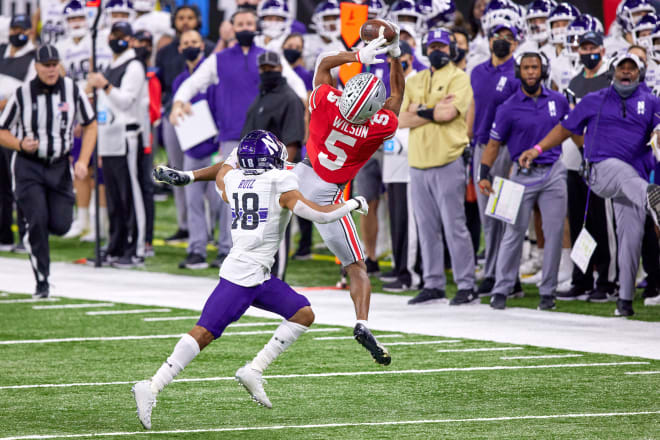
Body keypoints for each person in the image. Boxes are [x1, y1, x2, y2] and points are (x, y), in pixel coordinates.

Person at [162, 33, 403, 365]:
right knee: (356, 266)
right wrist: (394, 56)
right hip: (328, 196)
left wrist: (358, 55)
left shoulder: (324, 102)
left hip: (297, 175)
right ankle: (362, 321)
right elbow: (396, 97)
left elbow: (323, 64)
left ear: (345, 94)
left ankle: (189, 175)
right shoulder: (379, 125)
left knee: (243, 163)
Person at [134, 130, 369, 429]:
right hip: (241, 278)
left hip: (258, 274)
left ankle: (254, 370)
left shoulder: (233, 180)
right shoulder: (279, 183)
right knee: (204, 333)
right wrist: (354, 204)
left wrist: (196, 173)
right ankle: (151, 387)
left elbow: (224, 172)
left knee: (303, 313)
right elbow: (320, 215)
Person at [518, 52, 660, 317]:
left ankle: (625, 301)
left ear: (640, 73)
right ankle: (655, 200)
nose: (626, 73)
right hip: (601, 171)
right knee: (621, 171)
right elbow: (565, 128)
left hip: (635, 183)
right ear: (612, 72)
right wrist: (537, 149)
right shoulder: (595, 100)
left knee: (630, 238)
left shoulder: (652, 102)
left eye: (632, 69)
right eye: (622, 69)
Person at [0, 44, 97, 297]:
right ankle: (42, 280)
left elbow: (90, 124)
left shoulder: (72, 90)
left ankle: (32, 224)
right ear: (37, 67)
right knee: (38, 220)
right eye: (47, 65)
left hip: (59, 166)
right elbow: (2, 130)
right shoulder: (21, 93)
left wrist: (83, 160)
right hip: (28, 165)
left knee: (62, 224)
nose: (52, 69)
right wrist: (20, 143)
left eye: (55, 64)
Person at [478, 50, 569, 311]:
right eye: (526, 67)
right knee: (512, 233)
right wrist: (483, 174)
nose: (531, 72)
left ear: (543, 70)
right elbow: (493, 144)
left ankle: (548, 292)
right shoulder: (507, 107)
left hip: (553, 171)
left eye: (535, 67)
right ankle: (502, 288)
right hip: (520, 174)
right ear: (519, 72)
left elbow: (570, 129)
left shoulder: (558, 101)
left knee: (553, 234)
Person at [399, 28, 476, 305]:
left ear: (451, 49)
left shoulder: (460, 78)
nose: (437, 51)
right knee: (426, 227)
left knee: (454, 225)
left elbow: (448, 114)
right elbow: (399, 119)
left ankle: (466, 284)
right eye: (433, 47)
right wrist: (431, 111)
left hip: (448, 160)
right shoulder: (414, 79)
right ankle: (433, 284)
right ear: (424, 48)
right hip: (418, 162)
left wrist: (419, 109)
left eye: (442, 47)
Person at [558, 31, 618, 302]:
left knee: (602, 222)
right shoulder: (573, 82)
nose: (587, 51)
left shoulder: (609, 79)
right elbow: (570, 121)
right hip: (574, 161)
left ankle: (607, 280)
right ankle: (581, 278)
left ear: (602, 50)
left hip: (601, 159)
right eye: (584, 47)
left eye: (592, 46)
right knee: (580, 221)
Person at [86, 21, 147, 268]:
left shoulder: (133, 66)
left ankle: (136, 247)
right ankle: (116, 243)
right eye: (114, 35)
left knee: (129, 194)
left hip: (126, 137)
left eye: (122, 35)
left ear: (131, 40)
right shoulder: (108, 66)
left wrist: (105, 85)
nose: (117, 39)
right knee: (112, 196)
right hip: (107, 136)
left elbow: (126, 102)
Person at [468, 22, 520, 297]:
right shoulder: (477, 71)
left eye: (508, 37)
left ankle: (499, 275)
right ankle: (496, 272)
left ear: (515, 43)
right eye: (498, 36)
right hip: (480, 145)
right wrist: (468, 138)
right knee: (488, 215)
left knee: (504, 213)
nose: (502, 40)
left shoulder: (518, 72)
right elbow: (474, 105)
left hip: (506, 148)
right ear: (489, 40)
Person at [156, 4, 215, 244]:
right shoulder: (165, 51)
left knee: (206, 177)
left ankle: (209, 230)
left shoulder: (211, 52)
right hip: (174, 116)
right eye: (181, 18)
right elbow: (160, 84)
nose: (185, 22)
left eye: (190, 18)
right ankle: (185, 225)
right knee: (178, 172)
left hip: (205, 119)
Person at [173, 29, 221, 270]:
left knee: (220, 202)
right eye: (186, 42)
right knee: (192, 201)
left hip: (213, 146)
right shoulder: (178, 82)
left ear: (203, 45)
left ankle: (225, 249)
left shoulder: (212, 75)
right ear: (180, 48)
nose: (190, 46)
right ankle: (197, 249)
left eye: (194, 42)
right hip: (191, 146)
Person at [379, 40, 422, 293]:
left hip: (408, 157)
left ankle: (410, 274)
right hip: (391, 158)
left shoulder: (416, 80)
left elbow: (418, 117)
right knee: (396, 217)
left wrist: (399, 128)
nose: (391, 61)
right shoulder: (390, 83)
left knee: (409, 222)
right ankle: (398, 266)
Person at [0, 14, 37, 252]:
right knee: (2, 185)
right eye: (14, 28)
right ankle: (4, 235)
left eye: (21, 29)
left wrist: (5, 103)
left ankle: (26, 235)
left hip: (17, 128)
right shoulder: (2, 50)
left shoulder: (34, 58)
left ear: (30, 31)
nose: (17, 33)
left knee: (20, 183)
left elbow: (28, 92)